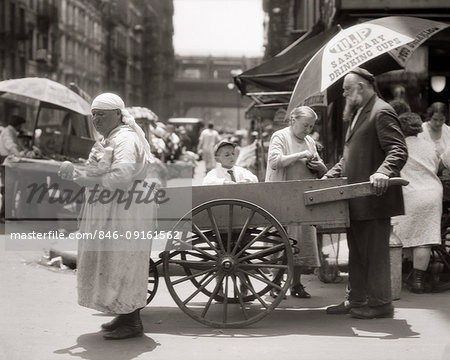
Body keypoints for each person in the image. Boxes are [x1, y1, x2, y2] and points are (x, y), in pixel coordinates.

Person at [58, 93, 157, 340]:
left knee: (122, 261)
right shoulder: (110, 138)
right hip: (113, 207)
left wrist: (86, 178)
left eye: (101, 114)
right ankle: (123, 314)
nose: (95, 119)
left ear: (117, 114)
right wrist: (78, 172)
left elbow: (121, 175)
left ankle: (132, 321)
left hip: (125, 209)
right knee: (111, 261)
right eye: (93, 114)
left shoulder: (125, 139)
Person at [324, 68, 408, 319]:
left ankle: (381, 303)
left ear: (361, 87)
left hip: (374, 198)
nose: (345, 94)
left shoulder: (381, 111)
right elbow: (349, 157)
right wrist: (330, 175)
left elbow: (398, 150)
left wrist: (384, 172)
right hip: (356, 198)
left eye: (347, 89)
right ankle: (357, 298)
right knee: (358, 253)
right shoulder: (360, 112)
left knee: (374, 253)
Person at [266, 105, 327, 299]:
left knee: (301, 243)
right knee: (280, 242)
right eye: (305, 125)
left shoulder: (309, 140)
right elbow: (275, 162)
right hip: (282, 196)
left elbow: (322, 168)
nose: (308, 130)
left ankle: (296, 284)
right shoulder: (280, 137)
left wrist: (320, 166)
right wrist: (300, 155)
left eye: (311, 126)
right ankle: (275, 283)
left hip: (303, 198)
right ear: (293, 121)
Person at [393, 112, 444, 293]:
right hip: (432, 194)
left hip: (409, 194)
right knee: (424, 238)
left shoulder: (398, 147)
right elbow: (437, 167)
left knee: (403, 235)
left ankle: (400, 274)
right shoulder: (431, 147)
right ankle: (418, 282)